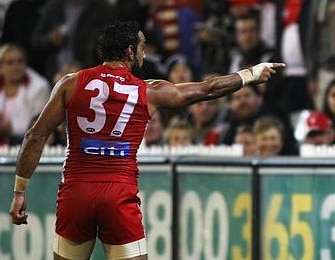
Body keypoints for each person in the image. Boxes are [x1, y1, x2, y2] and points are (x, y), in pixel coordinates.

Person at [9, 20, 284, 260]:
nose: (144, 52)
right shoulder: (148, 91)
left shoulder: (70, 83)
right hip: (119, 194)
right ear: (130, 51)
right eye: (142, 46)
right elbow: (207, 89)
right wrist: (251, 74)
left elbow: (36, 136)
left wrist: (20, 190)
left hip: (76, 191)